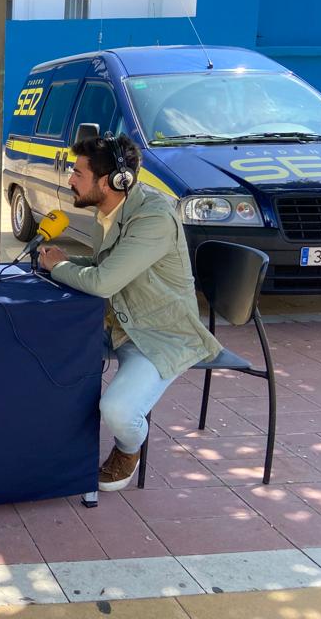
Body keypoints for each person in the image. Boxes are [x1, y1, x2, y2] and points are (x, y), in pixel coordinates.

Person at [38, 134, 221, 491]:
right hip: (112, 324)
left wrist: (60, 268)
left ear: (110, 182)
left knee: (118, 411)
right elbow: (102, 263)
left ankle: (128, 448)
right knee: (39, 352)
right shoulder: (106, 211)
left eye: (77, 173)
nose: (70, 179)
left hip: (158, 335)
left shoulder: (153, 217)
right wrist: (60, 261)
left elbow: (104, 281)